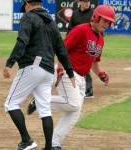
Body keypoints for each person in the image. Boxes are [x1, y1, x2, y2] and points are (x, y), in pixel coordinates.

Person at [27, 4, 115, 150]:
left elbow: (94, 61)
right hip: (68, 71)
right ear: (96, 17)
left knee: (74, 112)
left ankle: (54, 144)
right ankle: (40, 101)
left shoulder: (101, 39)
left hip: (81, 78)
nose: (107, 24)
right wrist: (61, 68)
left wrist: (101, 74)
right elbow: (62, 49)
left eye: (109, 22)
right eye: (104, 20)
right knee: (73, 104)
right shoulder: (81, 30)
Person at [3, 0, 75, 150]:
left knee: (11, 104)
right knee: (45, 110)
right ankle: (48, 147)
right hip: (49, 70)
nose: (25, 9)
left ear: (28, 4)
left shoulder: (28, 17)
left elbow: (22, 41)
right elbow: (61, 49)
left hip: (33, 66)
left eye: (25, 7)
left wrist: (10, 63)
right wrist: (70, 71)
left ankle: (26, 140)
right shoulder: (52, 22)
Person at [68, 0, 94, 98]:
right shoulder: (75, 13)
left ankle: (89, 90)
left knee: (85, 67)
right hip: (76, 43)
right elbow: (70, 28)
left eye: (88, 1)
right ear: (80, 2)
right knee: (73, 64)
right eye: (85, 1)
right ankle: (76, 88)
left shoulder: (93, 13)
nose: (87, 3)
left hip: (88, 43)